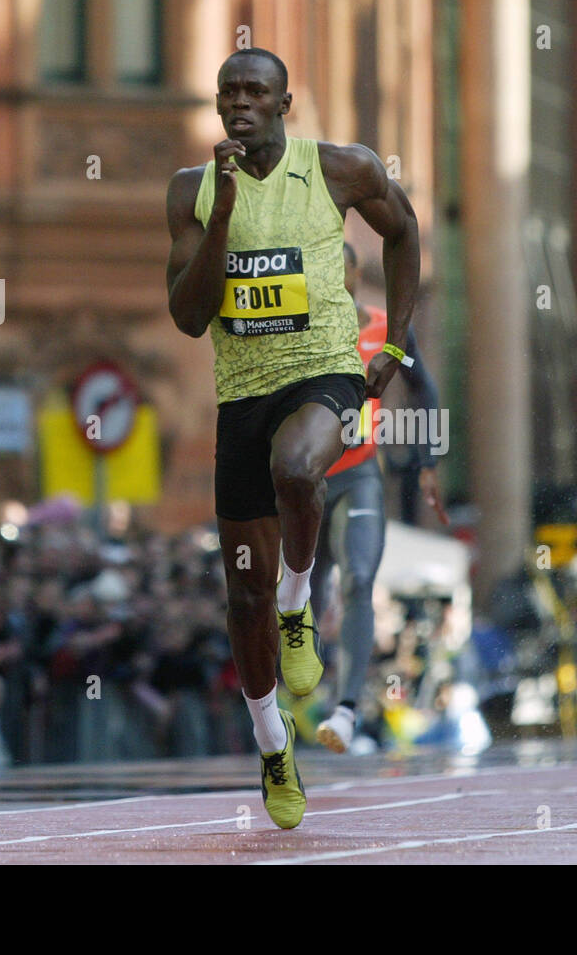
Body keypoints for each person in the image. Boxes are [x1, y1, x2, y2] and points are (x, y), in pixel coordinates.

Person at [165, 48, 420, 827]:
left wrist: (396, 345)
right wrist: (225, 216)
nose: (238, 105)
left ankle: (301, 599)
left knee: (300, 467)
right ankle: (273, 742)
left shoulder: (341, 169)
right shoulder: (193, 191)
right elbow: (187, 314)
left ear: (284, 104)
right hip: (240, 392)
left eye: (254, 93)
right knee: (242, 593)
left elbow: (405, 233)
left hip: (324, 375)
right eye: (227, 94)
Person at [310, 242, 447, 753]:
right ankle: (286, 700)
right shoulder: (296, 329)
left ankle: (345, 710)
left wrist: (428, 462)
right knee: (305, 588)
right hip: (306, 481)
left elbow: (424, 389)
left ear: (354, 275)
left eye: (337, 274)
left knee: (359, 579)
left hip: (359, 473)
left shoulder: (384, 330)